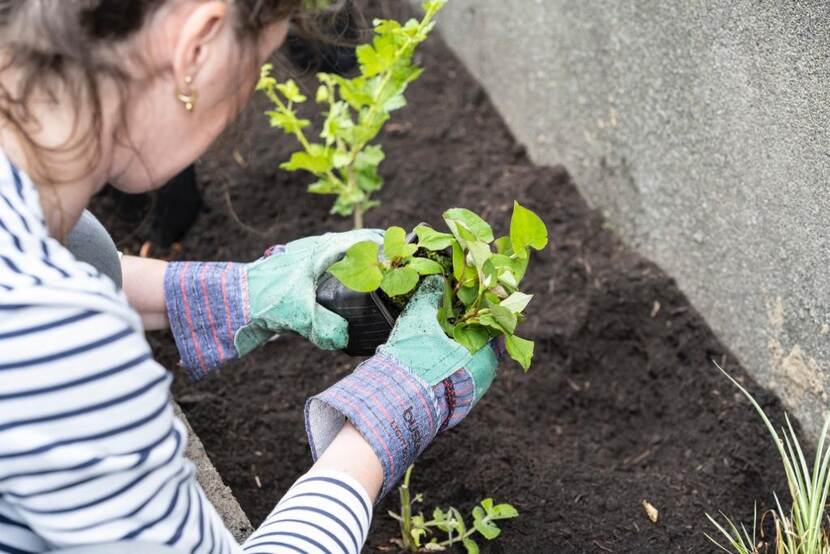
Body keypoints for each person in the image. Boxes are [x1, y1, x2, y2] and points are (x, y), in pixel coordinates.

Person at [0, 2, 500, 553]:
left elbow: (75, 257)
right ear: (198, 46)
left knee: (88, 242)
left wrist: (237, 294)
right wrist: (386, 420)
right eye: (257, 65)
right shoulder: (57, 342)